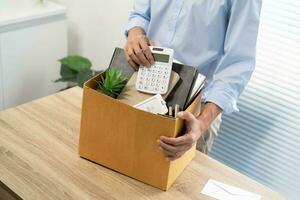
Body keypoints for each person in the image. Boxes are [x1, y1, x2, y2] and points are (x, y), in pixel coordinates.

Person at [124, 0, 262, 160]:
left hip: (194, 109)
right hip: (144, 82)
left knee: (178, 182)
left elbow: (238, 64)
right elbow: (141, 13)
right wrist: (136, 33)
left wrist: (201, 124)